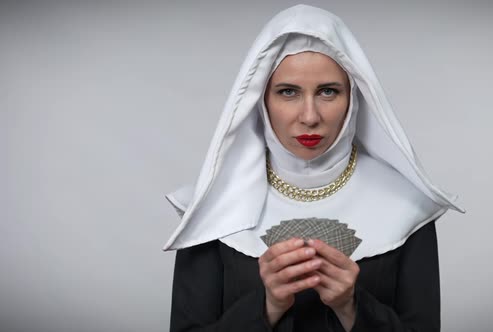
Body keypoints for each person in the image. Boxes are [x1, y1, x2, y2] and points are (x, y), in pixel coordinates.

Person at [163, 4, 464, 332]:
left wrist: (351, 307)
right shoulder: (212, 209)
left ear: (353, 99)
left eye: (328, 91)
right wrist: (267, 307)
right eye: (288, 92)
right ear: (261, 101)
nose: (309, 116)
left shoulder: (407, 207)